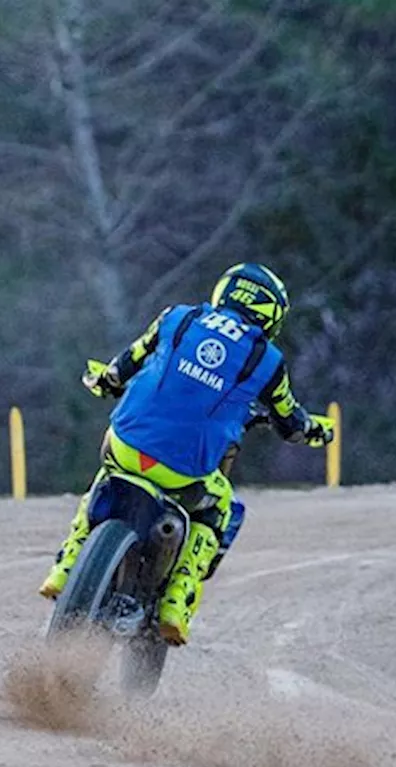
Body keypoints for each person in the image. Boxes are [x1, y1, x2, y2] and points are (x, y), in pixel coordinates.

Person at [39, 262, 334, 645]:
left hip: (124, 443)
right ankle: (176, 601)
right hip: (184, 471)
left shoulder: (178, 317)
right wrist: (313, 430)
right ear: (272, 313)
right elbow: (289, 419)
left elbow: (125, 363)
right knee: (221, 509)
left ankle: (66, 565)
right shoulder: (268, 360)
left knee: (104, 476)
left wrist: (104, 382)